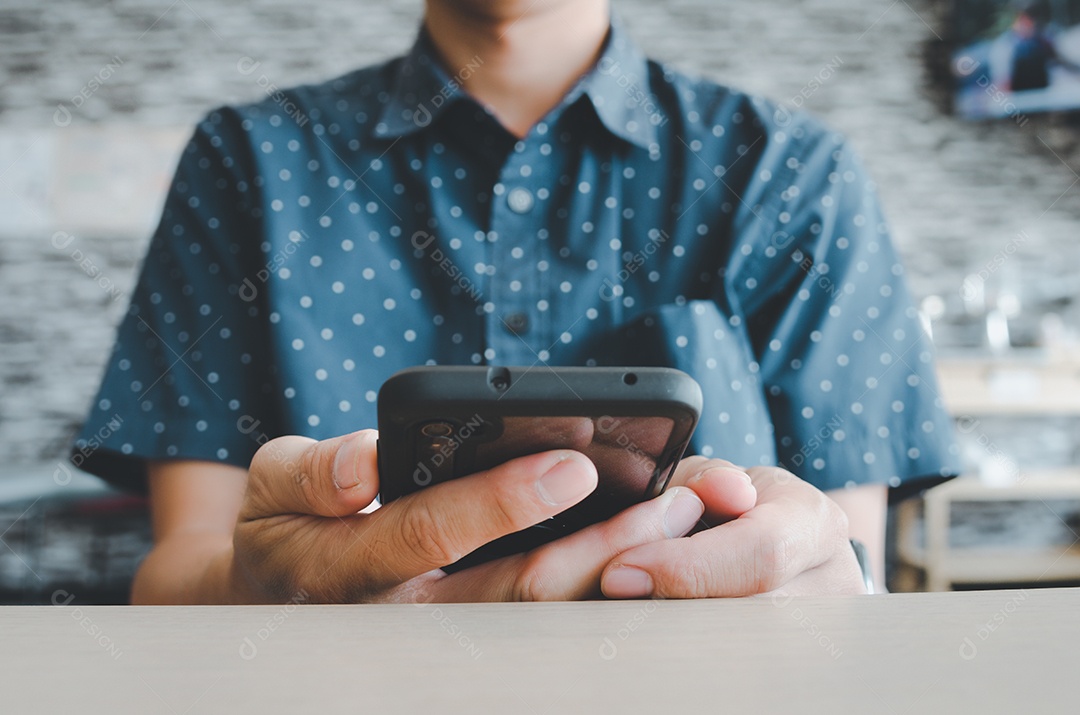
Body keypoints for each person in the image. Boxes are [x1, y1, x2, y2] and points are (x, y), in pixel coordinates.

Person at [71, 0, 958, 604]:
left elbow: (849, 561)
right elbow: (181, 561)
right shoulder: (249, 162)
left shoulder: (790, 173)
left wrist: (827, 580)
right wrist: (264, 583)